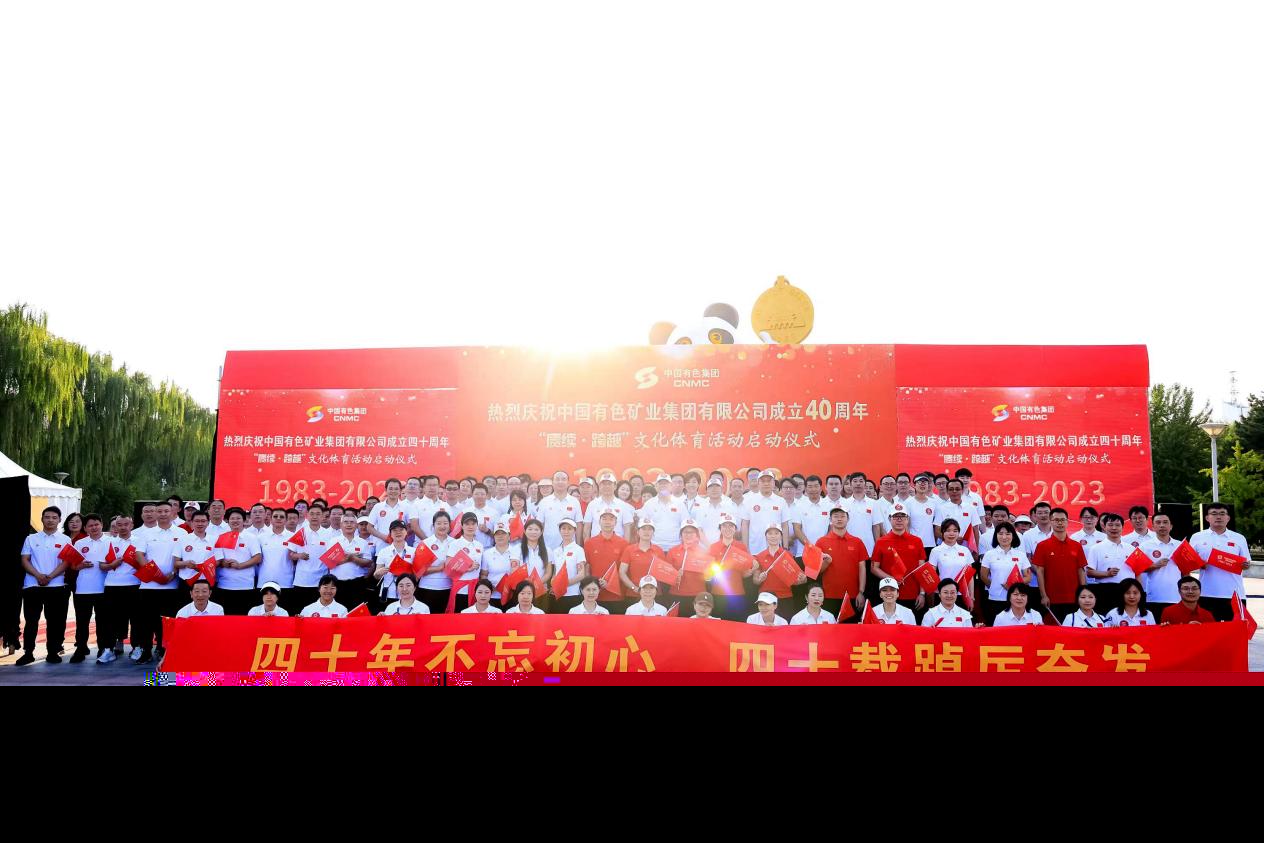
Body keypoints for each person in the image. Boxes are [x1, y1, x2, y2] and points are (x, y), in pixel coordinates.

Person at [16, 506, 71, 666]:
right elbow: (25, 559)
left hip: (56, 586)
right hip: (32, 585)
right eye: (47, 517)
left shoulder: (65, 540)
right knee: (31, 621)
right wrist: (38, 575)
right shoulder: (31, 538)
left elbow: (66, 562)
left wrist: (50, 576)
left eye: (54, 517)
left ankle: (52, 652)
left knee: (54, 621)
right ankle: (28, 653)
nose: (50, 520)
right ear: (41, 519)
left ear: (59, 520)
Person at [131, 503, 184, 664]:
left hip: (171, 584)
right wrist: (153, 574)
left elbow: (182, 557)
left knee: (167, 621)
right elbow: (139, 555)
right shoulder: (146, 534)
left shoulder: (181, 533)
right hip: (149, 584)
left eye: (166, 511)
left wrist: (172, 573)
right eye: (159, 511)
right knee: (146, 621)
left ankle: (163, 650)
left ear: (172, 512)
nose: (162, 514)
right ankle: (146, 651)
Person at [1190, 503, 1252, 621]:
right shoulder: (1197, 537)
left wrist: (1245, 565)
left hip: (1234, 594)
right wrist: (1199, 564)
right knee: (1208, 630)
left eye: (1222, 514)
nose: (1218, 517)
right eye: (1214, 513)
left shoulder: (1239, 538)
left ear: (1228, 518)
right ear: (1207, 518)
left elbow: (1246, 564)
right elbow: (1189, 561)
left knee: (1235, 630)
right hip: (1206, 593)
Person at [68, 514, 111, 663]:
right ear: (85, 528)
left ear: (102, 525)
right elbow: (73, 566)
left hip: (104, 588)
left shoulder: (111, 541)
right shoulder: (80, 543)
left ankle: (103, 649)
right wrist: (81, 565)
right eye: (90, 526)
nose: (94, 528)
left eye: (96, 524)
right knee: (82, 621)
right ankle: (80, 648)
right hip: (83, 588)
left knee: (103, 621)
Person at [1033, 508, 1089, 620]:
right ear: (1051, 521)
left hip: (1074, 597)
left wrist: (1083, 595)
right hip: (1052, 598)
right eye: (1056, 520)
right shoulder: (1042, 546)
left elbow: (1081, 571)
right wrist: (1043, 596)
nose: (1060, 523)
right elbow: (1039, 572)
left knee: (1073, 628)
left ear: (1067, 522)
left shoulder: (1076, 546)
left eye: (1063, 520)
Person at [98, 516, 140, 663]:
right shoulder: (109, 542)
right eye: (119, 525)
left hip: (134, 584)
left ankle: (137, 647)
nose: (122, 527)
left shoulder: (139, 541)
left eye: (126, 524)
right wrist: (112, 565)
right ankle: (108, 649)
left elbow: (146, 563)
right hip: (112, 585)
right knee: (110, 619)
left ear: (131, 525)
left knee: (136, 619)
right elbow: (102, 566)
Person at [815, 507, 868, 623]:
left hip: (852, 596)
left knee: (850, 630)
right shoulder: (821, 542)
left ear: (848, 519)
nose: (839, 519)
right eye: (836, 516)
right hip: (829, 596)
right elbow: (816, 572)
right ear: (830, 520)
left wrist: (861, 592)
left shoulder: (857, 542)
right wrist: (826, 562)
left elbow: (862, 568)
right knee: (830, 631)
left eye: (843, 516)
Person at [871, 508, 926, 615]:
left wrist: (922, 593)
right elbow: (874, 568)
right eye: (896, 516)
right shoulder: (881, 541)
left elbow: (922, 569)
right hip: (889, 595)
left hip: (913, 594)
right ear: (889, 519)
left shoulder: (917, 541)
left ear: (907, 519)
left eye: (902, 516)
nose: (899, 520)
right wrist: (891, 579)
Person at [211, 507, 263, 615]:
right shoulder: (221, 537)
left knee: (243, 618)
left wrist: (240, 565)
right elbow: (218, 559)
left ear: (244, 520)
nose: (235, 521)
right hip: (224, 585)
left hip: (245, 585)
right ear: (227, 521)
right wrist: (224, 563)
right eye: (232, 518)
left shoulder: (251, 537)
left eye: (238, 518)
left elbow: (258, 557)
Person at [979, 523, 1032, 625]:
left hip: (1016, 600)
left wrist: (1012, 587)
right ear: (996, 536)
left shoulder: (1021, 555)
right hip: (995, 598)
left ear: (1013, 536)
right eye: (1000, 534)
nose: (1004, 537)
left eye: (1008, 534)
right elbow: (983, 576)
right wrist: (994, 585)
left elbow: (1028, 577)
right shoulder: (989, 554)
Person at [289, 502, 335, 614]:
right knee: (300, 613)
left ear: (322, 516)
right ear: (307, 516)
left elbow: (334, 557)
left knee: (319, 613)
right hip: (302, 580)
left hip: (321, 582)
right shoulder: (301, 532)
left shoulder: (329, 534)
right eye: (312, 514)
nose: (315, 516)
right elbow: (291, 554)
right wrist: (299, 555)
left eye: (318, 514)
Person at [751, 525, 804, 621]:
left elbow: (797, 580)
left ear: (781, 536)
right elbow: (755, 580)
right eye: (770, 533)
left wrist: (802, 579)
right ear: (765, 536)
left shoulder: (788, 555)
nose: (773, 536)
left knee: (784, 628)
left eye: (776, 533)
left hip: (785, 597)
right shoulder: (759, 556)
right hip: (766, 599)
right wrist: (760, 579)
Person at [708, 514, 755, 621]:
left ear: (735, 529)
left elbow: (745, 570)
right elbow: (708, 571)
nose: (728, 529)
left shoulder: (741, 547)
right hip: (718, 593)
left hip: (737, 593)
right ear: (720, 528)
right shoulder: (713, 547)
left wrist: (750, 570)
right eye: (724, 526)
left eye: (731, 526)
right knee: (719, 625)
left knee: (737, 625)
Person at [583, 506, 628, 613]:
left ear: (616, 522)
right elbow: (586, 569)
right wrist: (592, 585)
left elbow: (624, 570)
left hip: (616, 595)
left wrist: (611, 583)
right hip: (595, 596)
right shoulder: (589, 543)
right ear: (599, 522)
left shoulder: (624, 544)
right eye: (604, 519)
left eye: (611, 519)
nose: (607, 522)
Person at [1139, 512, 1182, 620]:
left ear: (1171, 526)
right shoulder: (1145, 546)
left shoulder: (1180, 545)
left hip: (1176, 596)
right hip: (1154, 596)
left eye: (1165, 522)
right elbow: (1137, 568)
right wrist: (1154, 565)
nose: (1162, 525)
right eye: (1158, 522)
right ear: (1153, 527)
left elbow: (1186, 571)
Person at [1085, 512, 1129, 611]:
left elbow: (1138, 571)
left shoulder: (1131, 548)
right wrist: (1107, 574)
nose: (1114, 528)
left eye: (1117, 525)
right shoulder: (1096, 548)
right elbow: (1089, 572)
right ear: (1104, 527)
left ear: (1122, 527)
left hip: (1127, 591)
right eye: (1110, 525)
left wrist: (1139, 591)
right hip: (1105, 591)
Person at [256, 507, 297, 613]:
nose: (278, 518)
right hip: (264, 582)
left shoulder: (293, 537)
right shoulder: (261, 537)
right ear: (270, 519)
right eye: (275, 516)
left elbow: (296, 558)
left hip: (286, 582)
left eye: (282, 517)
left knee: (285, 614)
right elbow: (257, 559)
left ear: (286, 520)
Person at [639, 474, 687, 551]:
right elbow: (642, 526)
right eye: (660, 483)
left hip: (675, 547)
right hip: (654, 546)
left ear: (671, 486)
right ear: (656, 486)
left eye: (666, 483)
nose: (663, 486)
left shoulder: (679, 504)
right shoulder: (649, 504)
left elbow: (685, 525)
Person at [536, 471, 583, 548]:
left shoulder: (574, 501)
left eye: (563, 479)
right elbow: (540, 524)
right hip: (548, 546)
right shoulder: (544, 502)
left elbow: (579, 524)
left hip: (570, 547)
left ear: (568, 483)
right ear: (552, 482)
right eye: (557, 479)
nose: (560, 482)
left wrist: (578, 545)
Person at [549, 518, 586, 613]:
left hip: (573, 594)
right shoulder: (556, 551)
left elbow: (581, 574)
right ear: (560, 531)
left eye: (569, 529)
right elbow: (554, 573)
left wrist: (563, 584)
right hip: (557, 594)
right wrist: (554, 585)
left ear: (574, 531)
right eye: (563, 528)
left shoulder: (578, 550)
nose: (566, 531)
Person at [482, 520, 521, 609]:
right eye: (497, 534)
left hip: (511, 596)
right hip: (492, 596)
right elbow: (484, 575)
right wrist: (488, 587)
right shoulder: (487, 553)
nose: (500, 536)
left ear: (509, 536)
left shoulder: (516, 551)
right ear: (494, 537)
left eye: (503, 533)